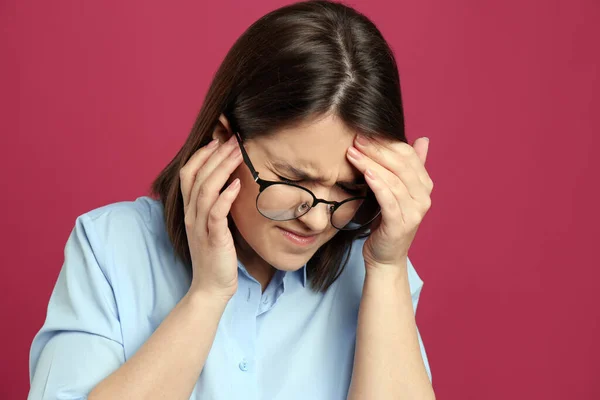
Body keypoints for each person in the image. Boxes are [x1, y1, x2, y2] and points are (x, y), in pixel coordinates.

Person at [28, 1, 435, 399]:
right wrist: (207, 295)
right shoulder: (110, 248)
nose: (315, 220)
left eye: (348, 190)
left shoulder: (376, 274)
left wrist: (386, 268)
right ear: (225, 140)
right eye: (293, 176)